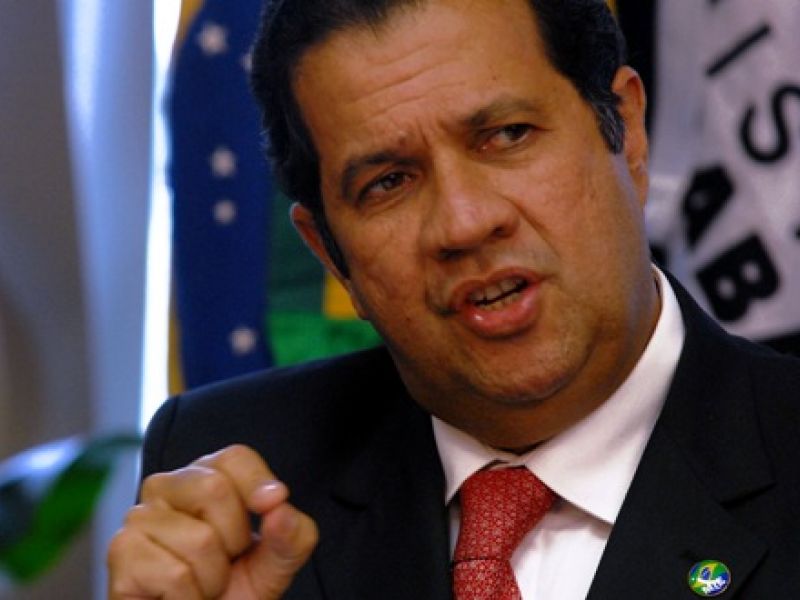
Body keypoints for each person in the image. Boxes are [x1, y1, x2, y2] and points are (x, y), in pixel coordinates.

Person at [107, 0, 800, 598]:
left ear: (628, 131)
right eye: (388, 182)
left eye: (507, 136)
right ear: (329, 254)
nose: (464, 223)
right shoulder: (234, 477)